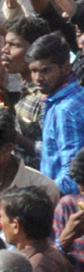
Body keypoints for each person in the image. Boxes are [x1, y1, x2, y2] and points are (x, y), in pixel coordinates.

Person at [0, 187, 77, 272]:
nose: (0, 222)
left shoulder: (30, 270)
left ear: (16, 226)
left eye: (2, 217)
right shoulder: (57, 257)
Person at [25, 33, 84, 194]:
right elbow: (54, 150)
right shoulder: (75, 95)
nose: (37, 78)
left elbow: (73, 174)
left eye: (45, 71)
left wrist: (41, 199)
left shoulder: (65, 110)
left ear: (65, 67)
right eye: (33, 71)